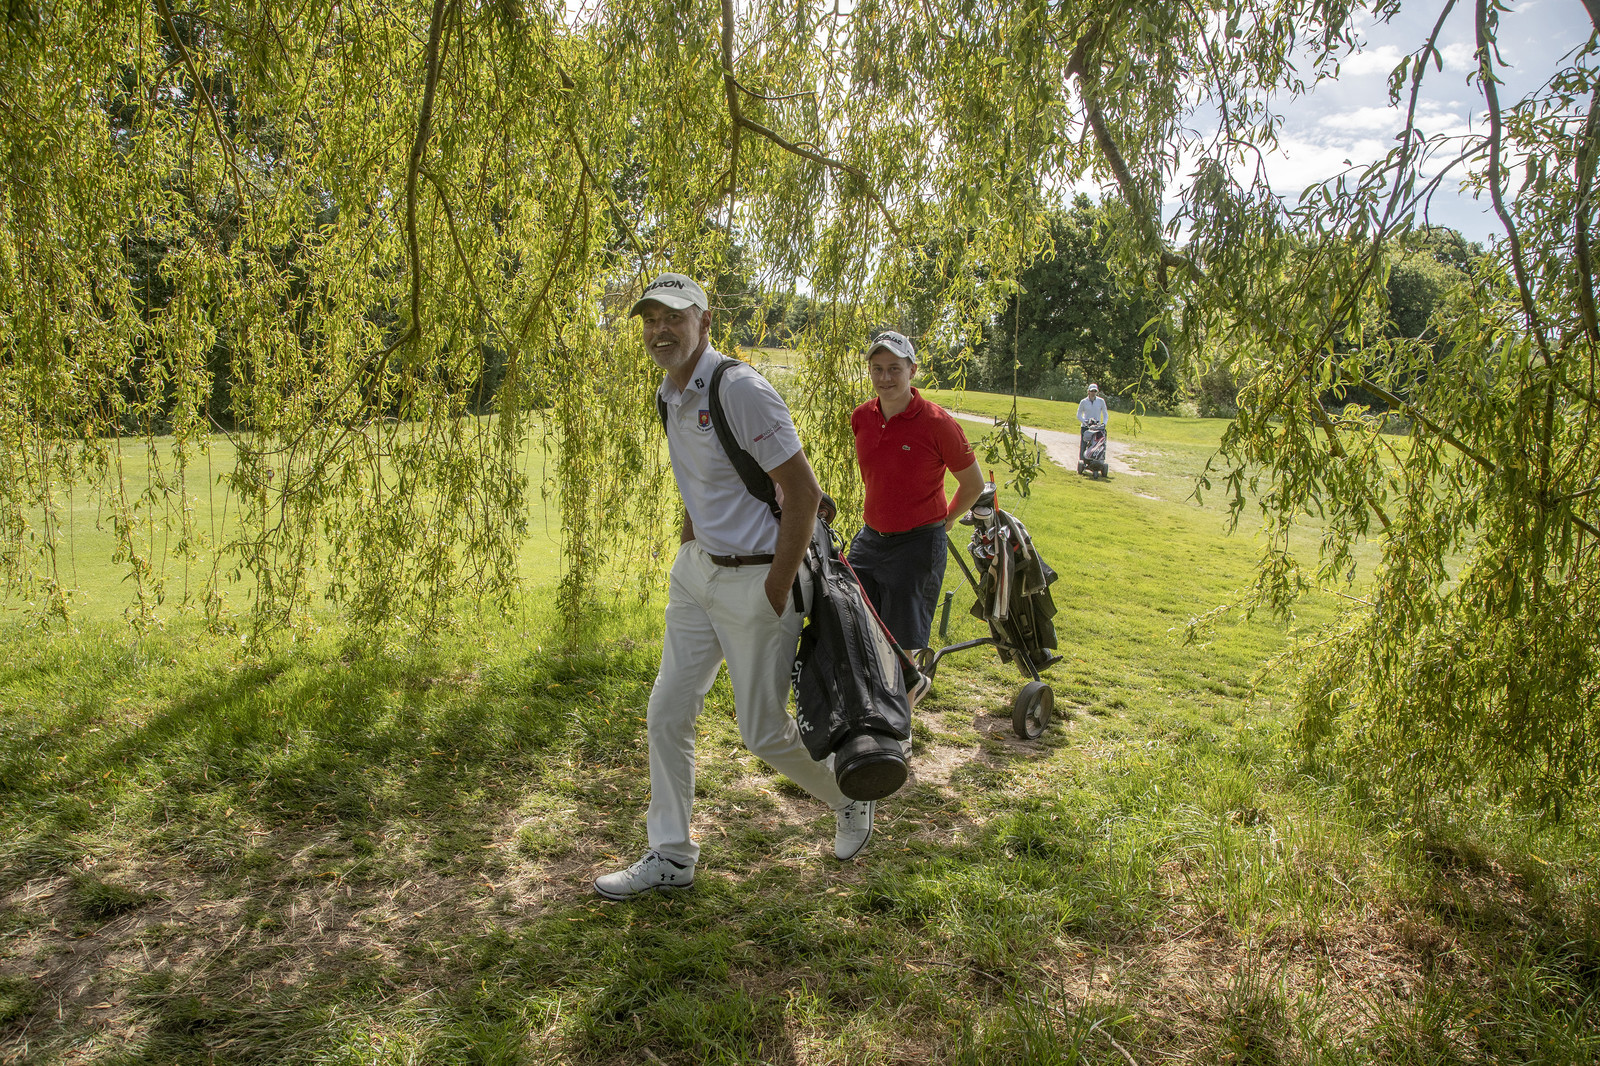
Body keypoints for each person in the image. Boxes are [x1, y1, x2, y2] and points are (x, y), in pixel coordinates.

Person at [594, 272, 877, 901]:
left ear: (704, 321)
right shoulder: (669, 392)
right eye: (650, 319)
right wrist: (691, 546)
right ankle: (670, 854)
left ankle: (849, 793)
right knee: (667, 712)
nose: (660, 330)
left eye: (674, 317)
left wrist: (775, 588)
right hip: (698, 576)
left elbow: (802, 496)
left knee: (764, 734)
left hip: (758, 582)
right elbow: (701, 480)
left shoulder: (740, 388)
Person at [848, 331, 985, 730]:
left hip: (918, 543)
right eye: (877, 369)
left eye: (894, 368)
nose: (885, 377)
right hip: (870, 540)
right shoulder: (862, 416)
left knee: (903, 641)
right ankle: (872, 711)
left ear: (912, 370)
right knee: (857, 625)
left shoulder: (939, 423)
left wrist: (944, 521)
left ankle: (897, 735)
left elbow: (973, 485)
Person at [1077, 383, 1108, 464]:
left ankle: (1097, 459)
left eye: (1095, 391)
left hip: (1097, 427)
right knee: (1084, 443)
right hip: (1086, 427)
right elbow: (1079, 415)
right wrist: (1085, 422)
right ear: (1088, 391)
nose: (1093, 393)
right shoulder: (1083, 401)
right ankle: (1083, 461)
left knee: (1098, 443)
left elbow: (1105, 414)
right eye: (1091, 391)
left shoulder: (1101, 401)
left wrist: (1104, 424)